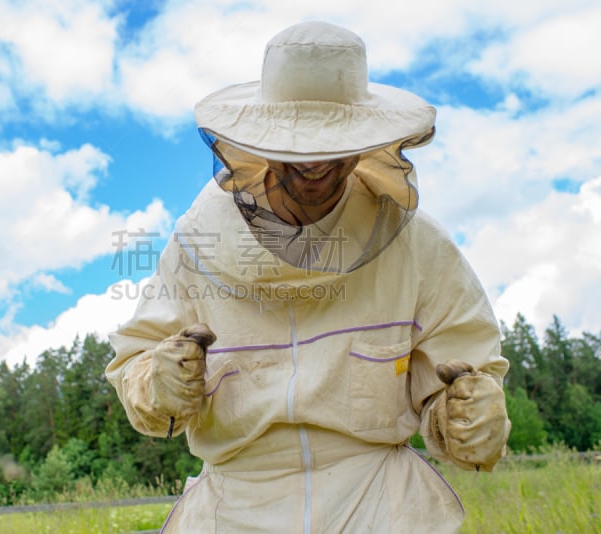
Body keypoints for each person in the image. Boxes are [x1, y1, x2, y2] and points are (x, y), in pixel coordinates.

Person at [106, 20, 511, 533]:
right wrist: (158, 381)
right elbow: (136, 367)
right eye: (299, 146)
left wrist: (464, 418)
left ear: (367, 141)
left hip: (379, 507)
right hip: (236, 508)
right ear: (259, 139)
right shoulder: (196, 243)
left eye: (333, 144)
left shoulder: (419, 244)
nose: (315, 163)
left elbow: (457, 378)